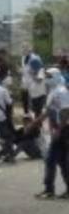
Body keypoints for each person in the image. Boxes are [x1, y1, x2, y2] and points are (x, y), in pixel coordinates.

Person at [31, 68, 69, 199]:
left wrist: (59, 130)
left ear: (55, 76)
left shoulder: (61, 91)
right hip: (60, 130)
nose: (46, 78)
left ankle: (49, 189)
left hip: (63, 130)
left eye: (48, 76)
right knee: (63, 161)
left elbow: (65, 111)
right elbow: (48, 111)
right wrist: (35, 122)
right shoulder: (53, 91)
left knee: (50, 160)